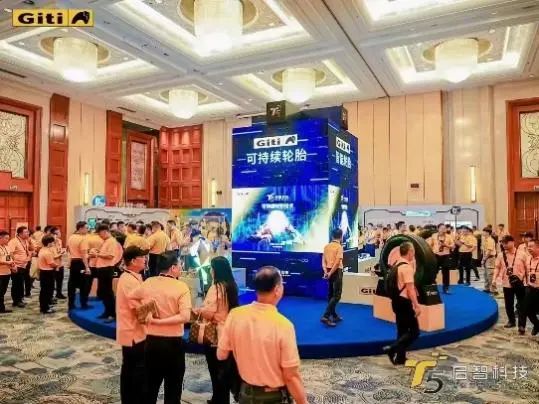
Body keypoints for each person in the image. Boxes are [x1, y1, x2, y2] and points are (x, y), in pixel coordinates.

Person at [217, 267, 307, 404]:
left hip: (245, 393)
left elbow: (221, 355)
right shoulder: (283, 325)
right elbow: (291, 376)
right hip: (273, 397)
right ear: (277, 289)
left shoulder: (235, 315)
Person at [129, 252, 191, 404]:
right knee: (173, 389)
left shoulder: (149, 282)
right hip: (173, 343)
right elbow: (185, 317)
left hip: (151, 342)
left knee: (149, 387)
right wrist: (160, 322)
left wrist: (145, 311)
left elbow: (130, 296)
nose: (181, 267)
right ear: (173, 268)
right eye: (179, 264)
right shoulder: (181, 286)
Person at [194, 256, 239, 404]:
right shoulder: (231, 286)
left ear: (216, 270)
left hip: (214, 333)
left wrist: (199, 310)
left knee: (214, 369)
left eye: (211, 269)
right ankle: (220, 398)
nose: (210, 271)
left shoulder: (216, 288)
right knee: (224, 369)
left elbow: (209, 312)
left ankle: (219, 399)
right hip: (228, 331)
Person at [116, 246, 148, 404]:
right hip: (133, 332)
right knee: (135, 370)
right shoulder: (129, 280)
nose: (145, 260)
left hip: (135, 330)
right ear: (134, 261)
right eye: (143, 257)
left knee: (130, 368)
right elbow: (139, 309)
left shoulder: (133, 277)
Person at [383, 242, 421, 365]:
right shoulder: (407, 268)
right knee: (414, 332)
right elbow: (410, 289)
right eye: (413, 251)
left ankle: (400, 358)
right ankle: (392, 349)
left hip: (395, 301)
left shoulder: (396, 264)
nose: (414, 253)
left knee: (402, 330)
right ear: (409, 252)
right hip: (404, 302)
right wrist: (417, 305)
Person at [493, 235, 527, 334]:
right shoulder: (500, 255)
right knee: (508, 304)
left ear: (512, 242)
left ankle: (521, 325)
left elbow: (527, 269)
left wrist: (527, 282)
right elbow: (497, 267)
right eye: (502, 243)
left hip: (520, 283)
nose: (504, 245)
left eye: (506, 243)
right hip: (507, 283)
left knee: (521, 305)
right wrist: (494, 279)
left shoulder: (522, 254)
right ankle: (511, 321)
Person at [92, 224, 118, 322]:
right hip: (102, 269)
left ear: (105, 231)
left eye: (100, 234)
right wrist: (99, 252)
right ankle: (107, 312)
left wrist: (98, 254)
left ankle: (112, 314)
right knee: (103, 292)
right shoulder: (107, 241)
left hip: (106, 269)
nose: (100, 236)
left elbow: (110, 256)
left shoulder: (111, 241)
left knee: (107, 293)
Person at [321, 228, 344, 327]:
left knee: (331, 294)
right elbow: (337, 262)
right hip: (336, 271)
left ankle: (333, 315)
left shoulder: (326, 246)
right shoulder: (339, 247)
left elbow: (323, 261)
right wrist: (330, 273)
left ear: (332, 236)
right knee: (337, 295)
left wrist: (326, 272)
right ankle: (326, 316)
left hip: (329, 270)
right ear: (341, 236)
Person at [67, 221, 92, 310]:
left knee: (72, 284)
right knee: (84, 285)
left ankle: (71, 304)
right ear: (80, 228)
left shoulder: (71, 237)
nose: (87, 230)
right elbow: (83, 255)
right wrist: (87, 267)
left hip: (73, 262)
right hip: (81, 263)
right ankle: (83, 304)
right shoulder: (83, 239)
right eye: (86, 228)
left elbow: (69, 251)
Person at [8, 226, 33, 307]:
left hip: (24, 265)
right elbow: (9, 253)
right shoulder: (13, 241)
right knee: (16, 284)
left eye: (28, 232)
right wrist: (13, 264)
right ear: (20, 234)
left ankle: (20, 299)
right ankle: (16, 301)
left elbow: (30, 249)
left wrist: (30, 242)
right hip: (17, 266)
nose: (28, 233)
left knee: (21, 283)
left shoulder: (26, 240)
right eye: (26, 232)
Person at [428, 223, 454, 294]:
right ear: (438, 229)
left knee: (446, 272)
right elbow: (430, 245)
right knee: (434, 271)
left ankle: (446, 288)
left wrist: (446, 245)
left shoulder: (449, 236)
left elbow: (453, 246)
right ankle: (432, 285)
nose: (443, 230)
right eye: (441, 228)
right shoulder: (434, 235)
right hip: (436, 255)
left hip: (445, 255)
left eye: (444, 228)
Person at [38, 235, 59, 314]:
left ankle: (44, 306)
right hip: (48, 273)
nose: (53, 243)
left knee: (44, 291)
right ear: (49, 243)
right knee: (47, 291)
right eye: (53, 242)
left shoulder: (42, 250)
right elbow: (51, 264)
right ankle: (45, 308)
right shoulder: (47, 252)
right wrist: (57, 265)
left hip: (43, 272)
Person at [525, 239, 539, 336]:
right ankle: (537, 325)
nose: (529, 248)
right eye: (528, 246)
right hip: (530, 288)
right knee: (527, 309)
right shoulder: (528, 258)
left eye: (531, 246)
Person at [50, 227, 67, 300]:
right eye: (58, 233)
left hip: (60, 263)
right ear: (54, 234)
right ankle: (51, 296)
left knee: (60, 280)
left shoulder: (60, 241)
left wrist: (61, 252)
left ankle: (59, 293)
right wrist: (59, 254)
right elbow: (51, 254)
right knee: (51, 281)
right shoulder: (50, 242)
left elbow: (59, 250)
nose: (60, 234)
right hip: (52, 264)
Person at [0, 231, 14, 314]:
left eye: (8, 238)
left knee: (3, 291)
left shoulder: (7, 247)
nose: (7, 240)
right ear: (0, 238)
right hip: (0, 273)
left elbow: (8, 258)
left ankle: (1, 307)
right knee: (0, 292)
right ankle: (1, 308)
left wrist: (12, 265)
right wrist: (6, 263)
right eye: (6, 238)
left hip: (7, 272)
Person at [481, 227, 497, 293]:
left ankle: (493, 289)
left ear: (487, 233)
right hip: (486, 258)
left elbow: (489, 251)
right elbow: (484, 251)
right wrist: (483, 259)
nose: (483, 233)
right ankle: (487, 288)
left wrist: (484, 259)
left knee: (490, 274)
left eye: (484, 232)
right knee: (485, 274)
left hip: (490, 258)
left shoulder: (490, 240)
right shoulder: (485, 239)